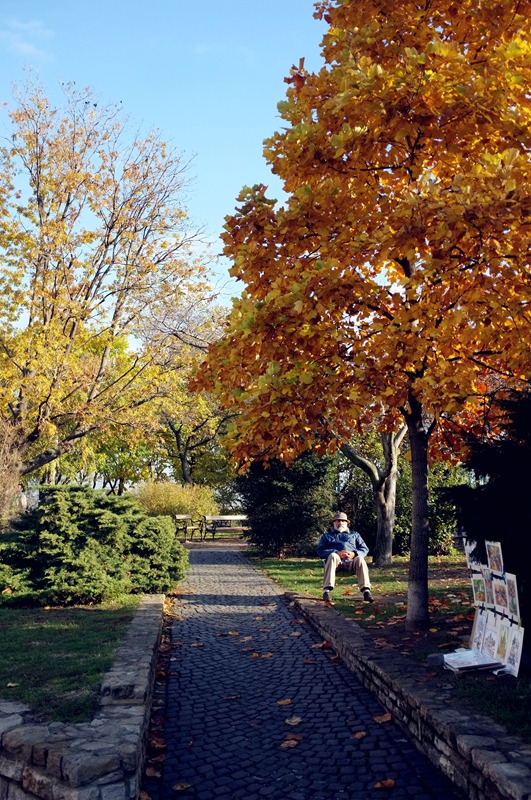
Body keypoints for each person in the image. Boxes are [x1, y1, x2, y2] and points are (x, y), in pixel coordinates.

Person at [317, 512, 374, 603]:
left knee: (360, 558)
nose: (340, 523)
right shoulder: (327, 536)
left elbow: (364, 549)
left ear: (347, 523)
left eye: (343, 521)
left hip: (352, 562)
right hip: (336, 563)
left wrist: (354, 554)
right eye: (338, 521)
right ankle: (326, 591)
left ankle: (366, 591)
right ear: (334, 522)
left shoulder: (354, 535)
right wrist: (337, 553)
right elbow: (320, 551)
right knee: (333, 555)